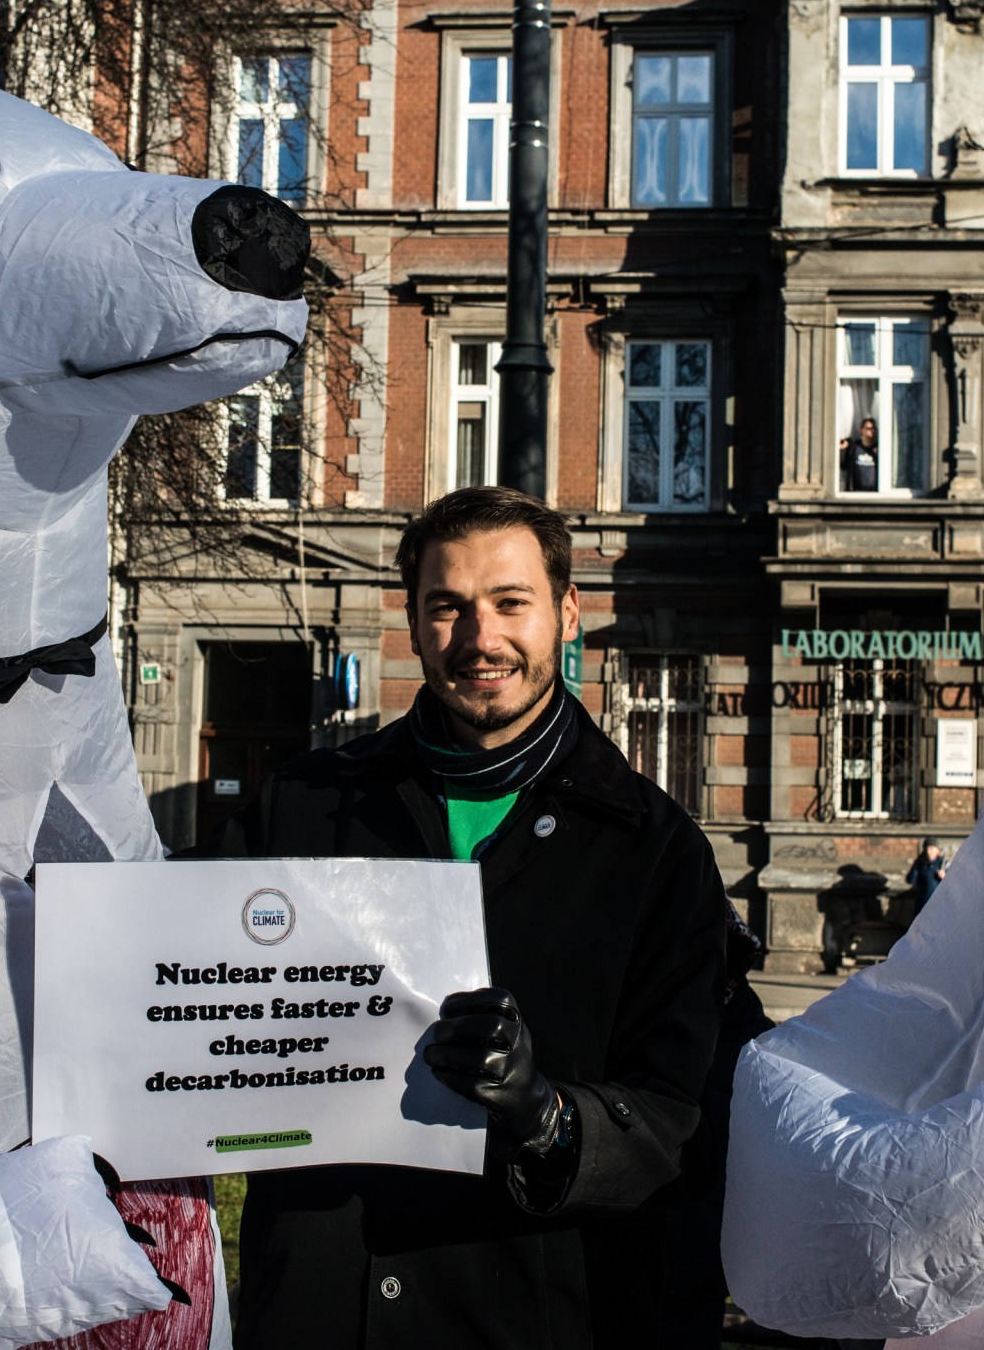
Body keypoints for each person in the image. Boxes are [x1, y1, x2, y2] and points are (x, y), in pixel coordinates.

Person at [199, 485, 739, 1349]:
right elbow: (181, 995)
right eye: (447, 608)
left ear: (566, 613)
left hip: (527, 1318)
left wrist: (542, 1112)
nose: (480, 639)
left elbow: (676, 1125)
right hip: (317, 1315)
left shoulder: (655, 853)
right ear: (413, 622)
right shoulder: (306, 806)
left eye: (509, 603)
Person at [903, 836, 945, 918]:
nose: (929, 852)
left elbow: (952, 885)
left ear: (937, 850)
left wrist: (944, 877)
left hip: (938, 904)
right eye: (927, 849)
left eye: (932, 849)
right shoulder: (920, 863)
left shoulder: (943, 863)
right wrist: (916, 867)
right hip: (922, 903)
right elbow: (910, 880)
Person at [839, 417, 880, 493]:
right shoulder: (854, 447)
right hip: (856, 492)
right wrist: (840, 450)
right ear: (862, 430)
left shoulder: (878, 449)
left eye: (873, 428)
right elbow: (843, 466)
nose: (872, 431)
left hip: (874, 493)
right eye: (868, 428)